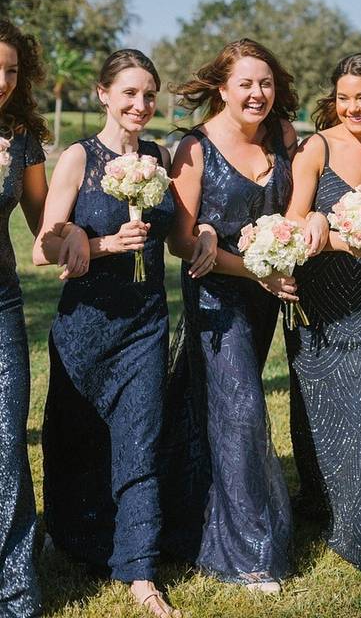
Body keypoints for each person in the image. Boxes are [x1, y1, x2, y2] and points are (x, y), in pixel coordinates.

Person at [34, 49, 180, 618]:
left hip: (145, 320)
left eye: (149, 95)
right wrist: (98, 245)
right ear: (103, 94)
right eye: (129, 94)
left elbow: (178, 230)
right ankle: (72, 537)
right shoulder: (78, 157)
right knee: (76, 441)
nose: (140, 105)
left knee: (140, 442)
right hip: (85, 325)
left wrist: (210, 229)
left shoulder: (159, 156)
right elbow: (45, 247)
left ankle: (140, 571)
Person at [165, 38, 297, 593]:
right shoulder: (193, 150)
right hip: (216, 297)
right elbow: (180, 240)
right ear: (222, 88)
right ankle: (248, 556)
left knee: (212, 410)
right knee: (242, 409)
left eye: (265, 83)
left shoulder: (285, 139)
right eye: (245, 83)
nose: (257, 93)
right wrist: (254, 271)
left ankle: (179, 518)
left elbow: (296, 211)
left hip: (267, 297)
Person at [283, 53, 361, 580]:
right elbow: (290, 223)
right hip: (318, 309)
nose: (353, 107)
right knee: (321, 424)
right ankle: (321, 504)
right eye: (344, 97)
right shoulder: (317, 146)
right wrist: (318, 221)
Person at [0, 19, 48, 618]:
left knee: (6, 444)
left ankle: (12, 592)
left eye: (12, 69)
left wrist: (107, 236)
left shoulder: (21, 135)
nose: (4, 80)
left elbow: (47, 226)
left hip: (2, 304)